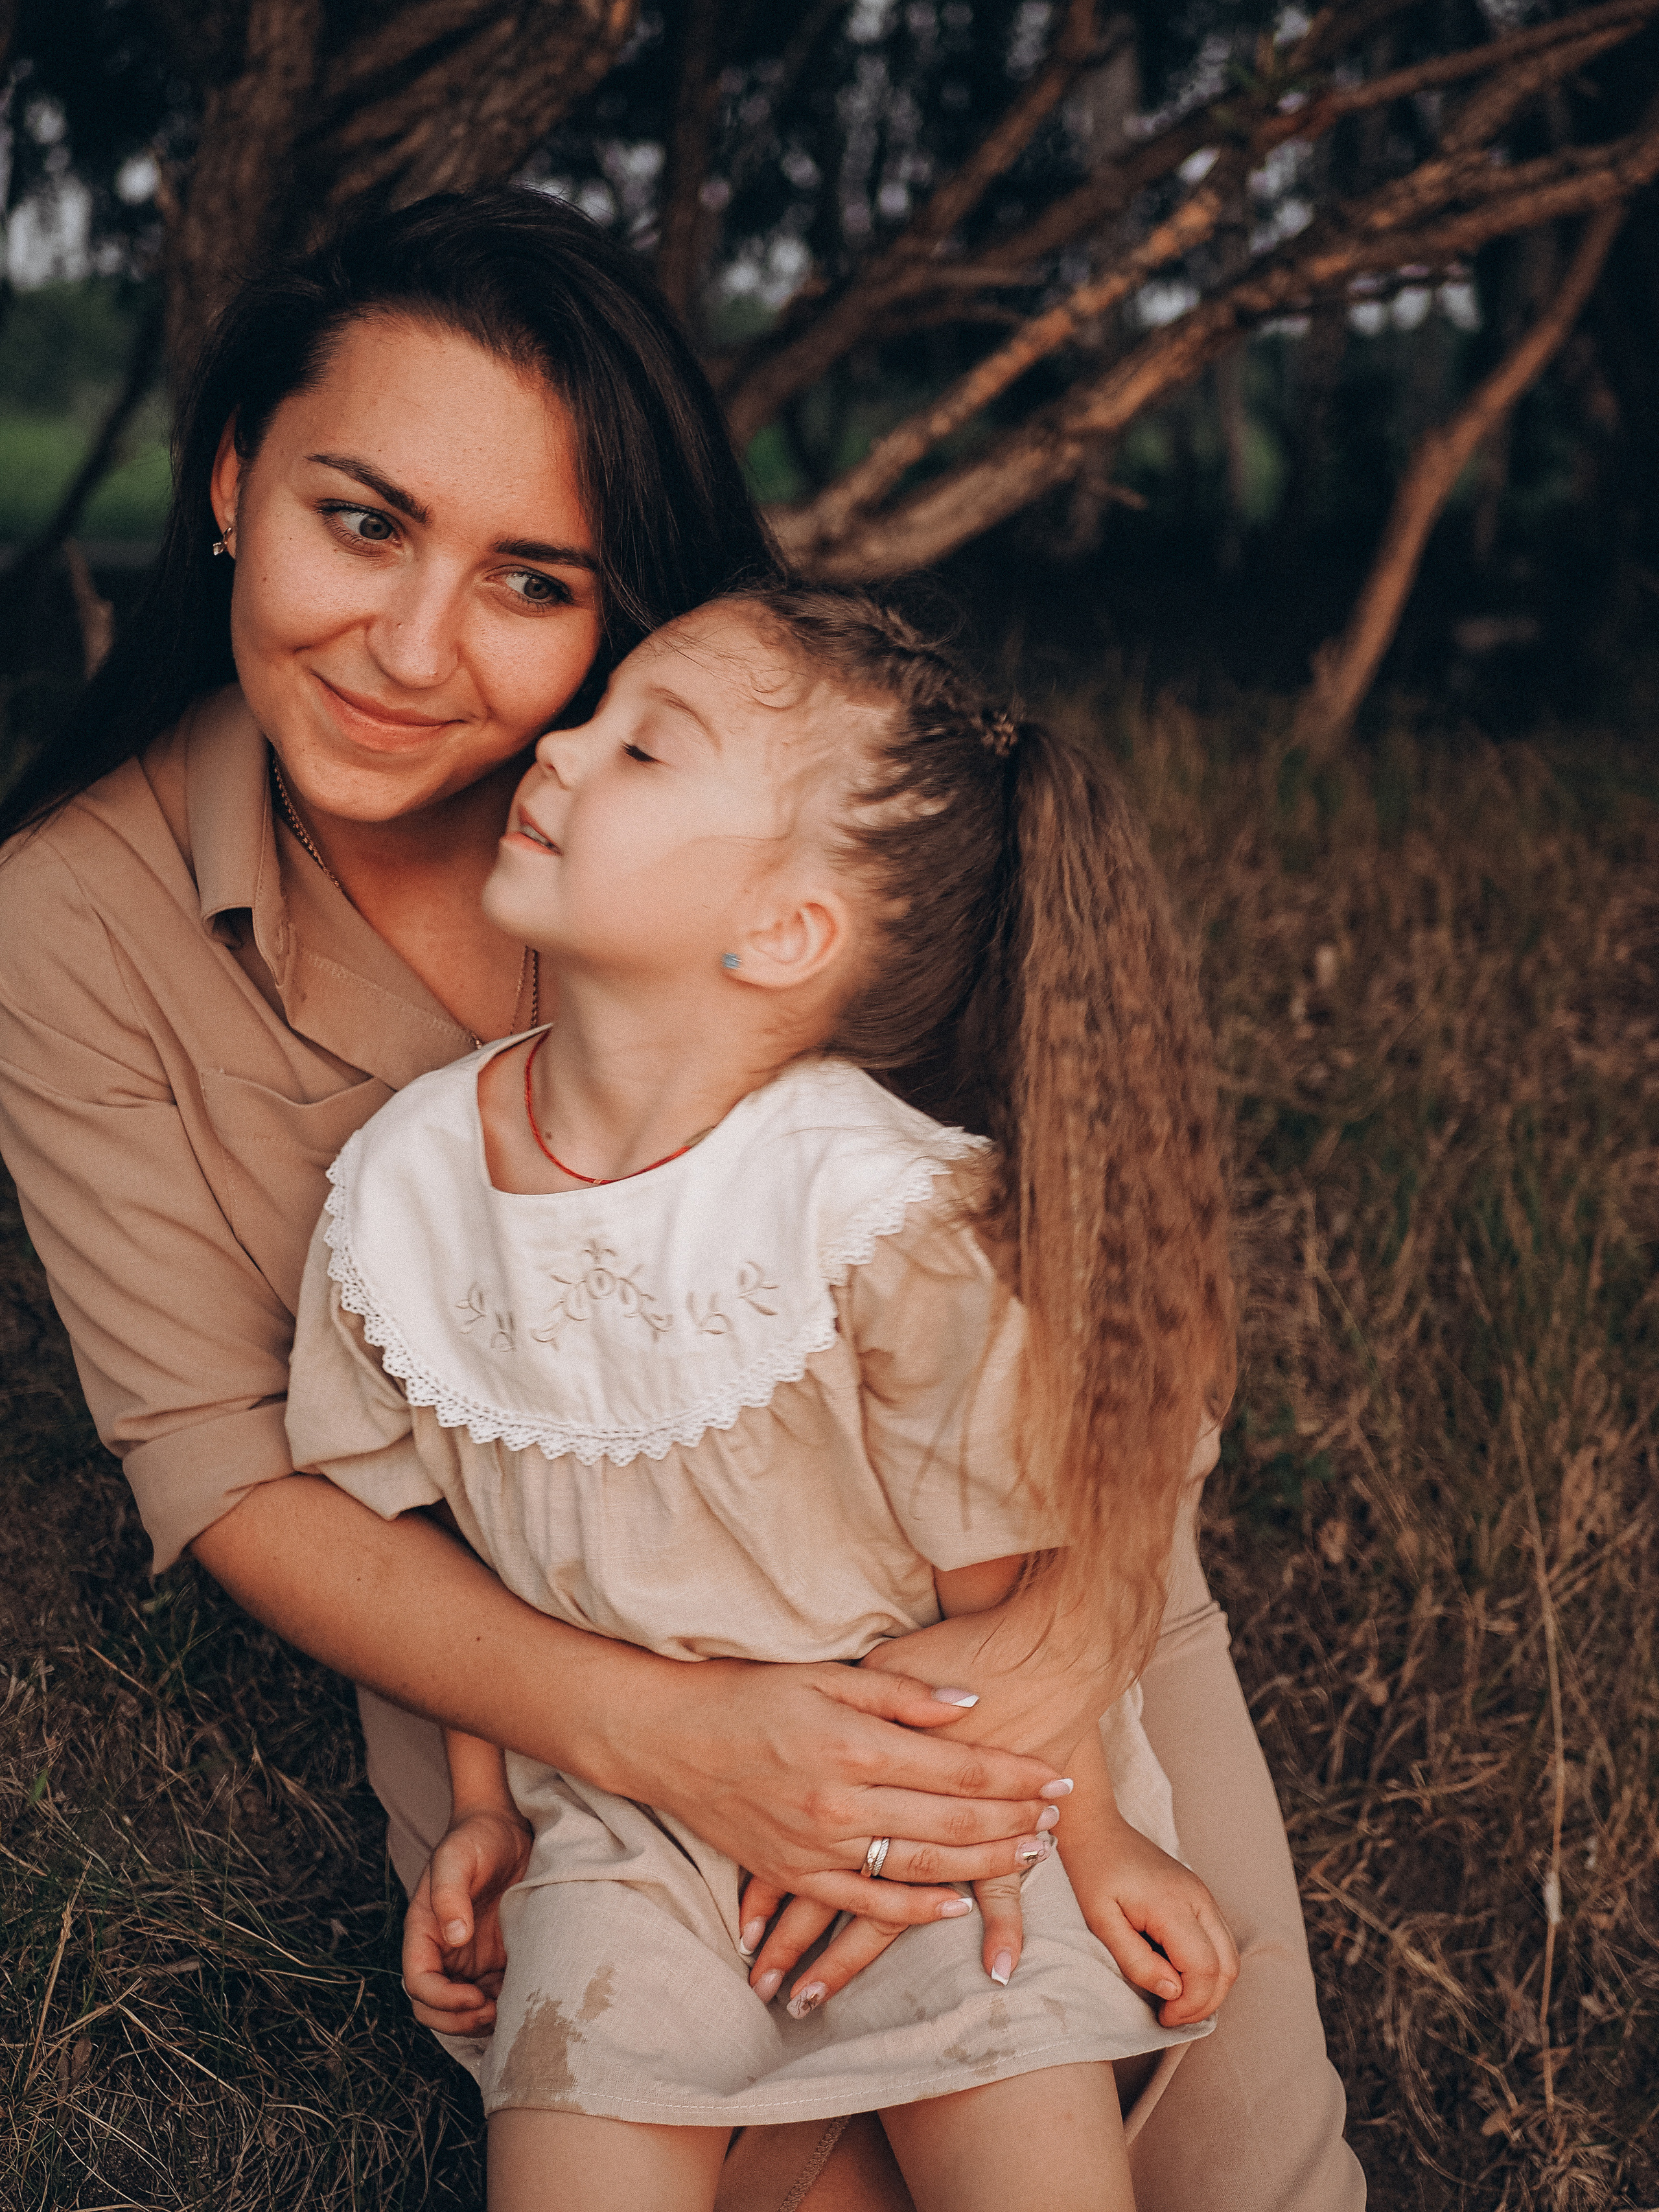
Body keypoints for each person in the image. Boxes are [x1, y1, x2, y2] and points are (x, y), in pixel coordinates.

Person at [0, 190, 1365, 2211]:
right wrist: (670, 1737)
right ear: (231, 480)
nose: (412, 645)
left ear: (617, 598)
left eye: (530, 578)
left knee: (1230, 2167)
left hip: (1001, 1605)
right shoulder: (67, 927)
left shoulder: (772, 795)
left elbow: (1103, 1299)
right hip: (553, 1690)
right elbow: (238, 1474)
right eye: (360, 520)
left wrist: (1054, 1674)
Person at [284, 585, 1242, 2209]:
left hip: (923, 1804)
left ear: (782, 931)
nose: (562, 746)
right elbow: (439, 1537)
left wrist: (1088, 1844)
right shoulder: (405, 1189)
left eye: (643, 743)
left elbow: (1003, 1602)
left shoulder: (870, 1218)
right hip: (611, 1825)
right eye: (591, 715)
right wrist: (477, 1813)